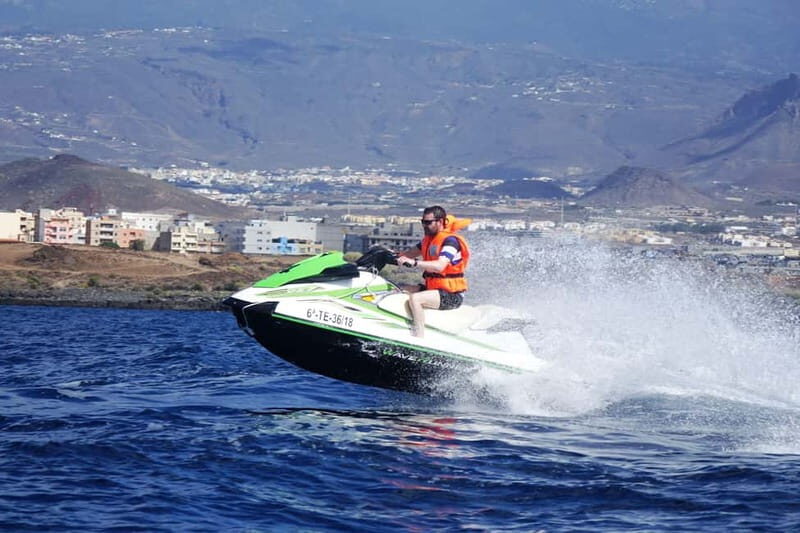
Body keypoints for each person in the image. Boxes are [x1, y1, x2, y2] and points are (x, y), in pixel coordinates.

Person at [397, 206, 471, 337]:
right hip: (434, 289)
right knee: (398, 288)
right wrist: (388, 255)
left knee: (415, 299)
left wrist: (415, 263)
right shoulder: (427, 241)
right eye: (423, 222)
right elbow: (408, 254)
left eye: (428, 222)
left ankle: (418, 336)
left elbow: (439, 266)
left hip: (452, 295)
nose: (425, 226)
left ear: (440, 222)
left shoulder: (451, 242)